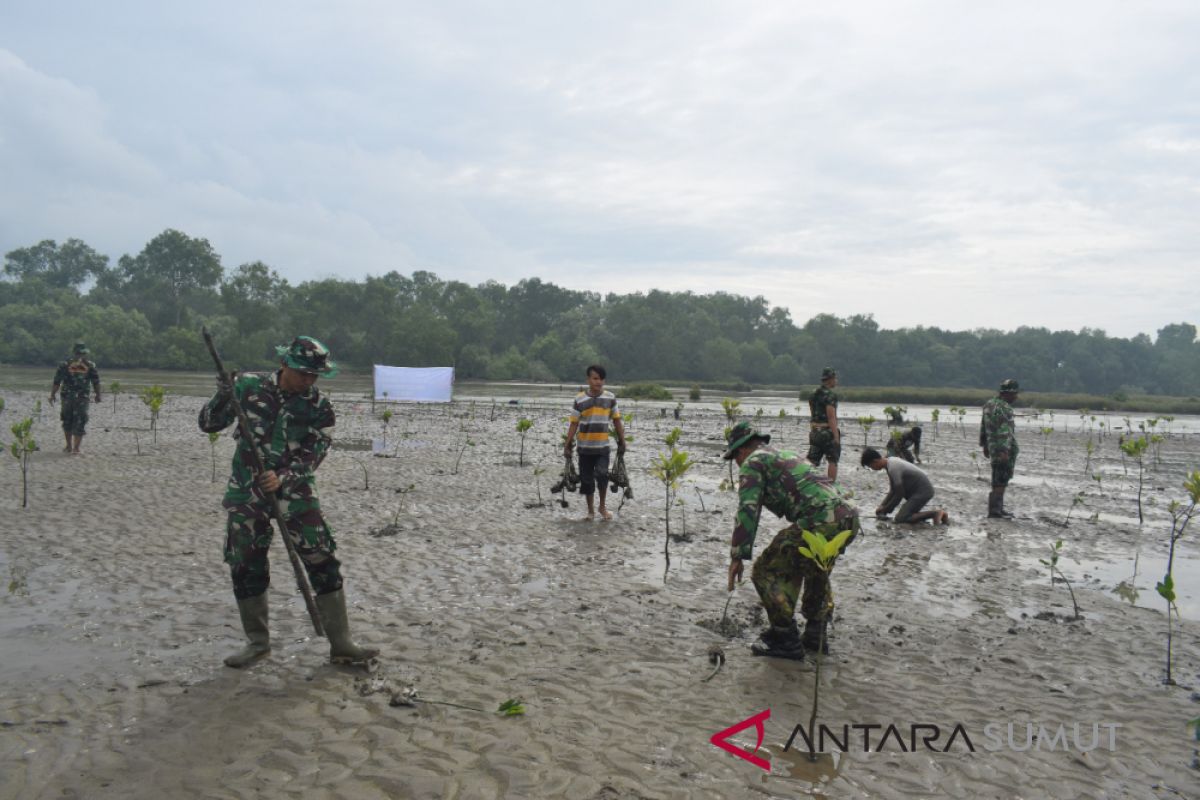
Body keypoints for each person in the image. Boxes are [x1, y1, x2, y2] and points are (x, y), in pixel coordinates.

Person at [199, 336, 378, 668]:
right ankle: (257, 643)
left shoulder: (319, 407)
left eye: (315, 375)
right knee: (245, 562)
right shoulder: (248, 387)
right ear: (284, 365)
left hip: (296, 495)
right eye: (303, 374)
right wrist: (224, 392)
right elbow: (208, 423)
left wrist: (283, 476)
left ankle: (341, 643)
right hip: (247, 492)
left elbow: (314, 454)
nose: (309, 381)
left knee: (322, 557)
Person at [724, 421, 860, 660]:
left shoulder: (752, 462)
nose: (736, 463)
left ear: (742, 449)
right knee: (816, 567)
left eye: (734, 457)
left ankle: (785, 638)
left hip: (820, 520)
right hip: (848, 517)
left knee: (766, 570)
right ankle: (816, 635)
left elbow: (748, 510)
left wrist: (738, 555)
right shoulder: (785, 454)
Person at [563, 364, 627, 521]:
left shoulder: (610, 398)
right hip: (584, 448)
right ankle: (591, 511)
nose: (599, 382)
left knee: (602, 474)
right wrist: (568, 443)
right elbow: (574, 423)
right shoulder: (579, 399)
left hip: (602, 447)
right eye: (595, 378)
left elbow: (617, 420)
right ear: (588, 379)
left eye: (601, 379)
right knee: (586, 480)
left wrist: (622, 440)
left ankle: (602, 507)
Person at [861, 447, 948, 525]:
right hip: (917, 492)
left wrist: (886, 509)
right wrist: (882, 506)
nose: (872, 469)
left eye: (870, 466)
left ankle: (935, 513)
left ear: (875, 461)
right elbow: (893, 490)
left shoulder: (893, 468)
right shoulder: (890, 462)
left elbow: (899, 494)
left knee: (900, 519)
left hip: (923, 491)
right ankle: (938, 515)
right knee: (906, 515)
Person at [49, 341, 101, 455]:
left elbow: (57, 382)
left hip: (74, 398)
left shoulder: (66, 364)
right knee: (73, 420)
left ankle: (72, 447)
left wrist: (52, 395)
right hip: (76, 398)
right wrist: (98, 395)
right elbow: (57, 381)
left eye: (81, 353)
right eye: (80, 353)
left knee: (73, 420)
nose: (80, 355)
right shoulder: (88, 365)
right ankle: (73, 447)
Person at [980, 378, 1021, 519]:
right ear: (1008, 394)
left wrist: (984, 445)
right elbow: (1005, 431)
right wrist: (1004, 451)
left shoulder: (988, 404)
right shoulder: (1006, 408)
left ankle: (997, 509)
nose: (1016, 397)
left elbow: (983, 427)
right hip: (1003, 450)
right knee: (1002, 478)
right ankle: (995, 511)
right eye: (1015, 394)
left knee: (996, 477)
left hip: (992, 447)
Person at [806, 366, 841, 481]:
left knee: (812, 461)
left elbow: (812, 413)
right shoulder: (830, 396)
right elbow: (831, 418)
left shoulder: (813, 394)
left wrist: (815, 427)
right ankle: (831, 487)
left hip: (815, 431)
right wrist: (836, 437)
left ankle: (806, 484)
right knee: (833, 460)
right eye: (835, 378)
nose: (836, 381)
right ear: (830, 379)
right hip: (827, 432)